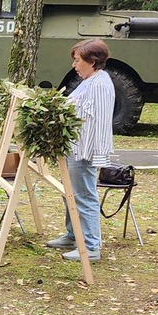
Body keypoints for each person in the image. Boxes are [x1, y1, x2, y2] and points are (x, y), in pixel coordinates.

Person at [46, 38, 115, 262]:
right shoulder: (89, 81)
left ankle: (91, 246)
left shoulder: (100, 84)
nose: (74, 65)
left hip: (83, 149)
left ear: (92, 61)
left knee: (84, 195)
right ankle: (73, 234)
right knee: (72, 193)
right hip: (74, 147)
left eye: (77, 61)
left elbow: (95, 122)